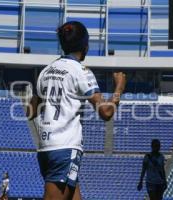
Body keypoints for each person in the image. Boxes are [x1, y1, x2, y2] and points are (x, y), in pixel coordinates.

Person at [27, 21, 126, 200]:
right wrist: (119, 88)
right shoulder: (81, 71)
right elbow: (106, 112)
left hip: (45, 149)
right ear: (85, 46)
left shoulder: (46, 71)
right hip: (65, 149)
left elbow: (30, 112)